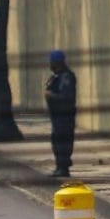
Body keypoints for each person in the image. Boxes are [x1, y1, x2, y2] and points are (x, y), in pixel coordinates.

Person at [45, 49, 78, 178]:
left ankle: (63, 167)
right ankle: (60, 165)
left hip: (64, 115)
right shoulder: (56, 76)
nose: (50, 65)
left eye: (52, 62)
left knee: (63, 141)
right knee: (56, 140)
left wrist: (51, 95)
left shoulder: (66, 77)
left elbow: (66, 95)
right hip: (56, 116)